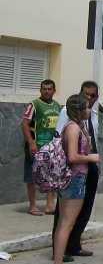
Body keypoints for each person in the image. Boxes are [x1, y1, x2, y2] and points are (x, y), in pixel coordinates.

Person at [51, 94, 99, 264]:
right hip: (75, 178)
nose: (89, 110)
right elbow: (72, 156)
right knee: (66, 224)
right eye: (86, 107)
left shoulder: (75, 127)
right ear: (78, 109)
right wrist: (91, 158)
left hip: (74, 178)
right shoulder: (72, 128)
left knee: (64, 223)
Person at [20, 79, 60, 216]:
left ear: (54, 91)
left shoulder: (57, 106)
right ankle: (32, 205)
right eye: (44, 89)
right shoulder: (34, 105)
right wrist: (31, 143)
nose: (47, 91)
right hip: (36, 146)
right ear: (40, 90)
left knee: (52, 175)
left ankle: (50, 205)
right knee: (32, 175)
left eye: (49, 89)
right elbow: (25, 123)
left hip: (51, 147)